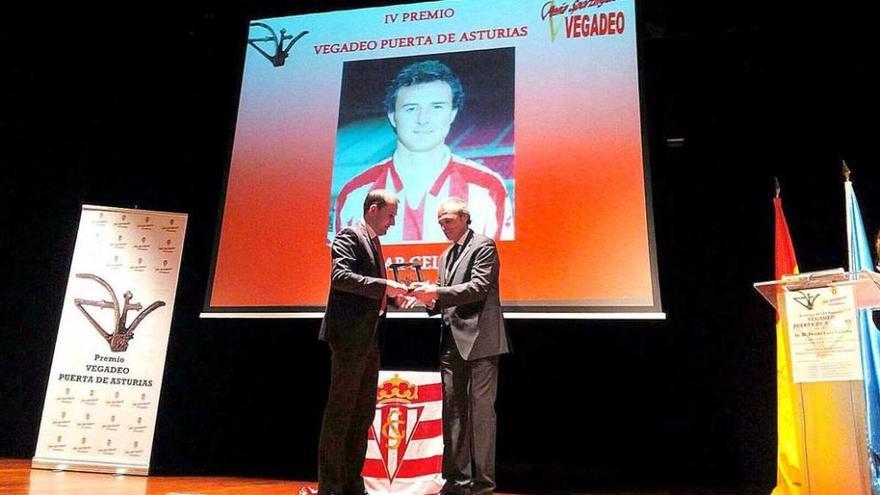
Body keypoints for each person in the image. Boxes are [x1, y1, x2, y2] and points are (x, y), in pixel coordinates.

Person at [333, 60, 514, 244]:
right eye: (411, 108)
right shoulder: (354, 194)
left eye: (437, 107)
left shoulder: (488, 189)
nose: (423, 119)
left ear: (452, 113)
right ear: (392, 116)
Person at [410, 197, 511, 495]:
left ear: (465, 217)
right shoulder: (444, 256)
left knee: (480, 415)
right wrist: (422, 298)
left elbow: (478, 288)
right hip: (451, 342)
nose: (443, 225)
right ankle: (457, 481)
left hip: (480, 340)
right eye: (439, 221)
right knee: (453, 412)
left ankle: (482, 485)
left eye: (448, 219)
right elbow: (442, 299)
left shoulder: (483, 245)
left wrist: (436, 291)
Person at [317, 189, 409, 495]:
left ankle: (352, 483)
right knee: (341, 414)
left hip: (368, 340)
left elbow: (369, 292)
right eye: (390, 215)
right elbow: (340, 277)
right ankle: (331, 487)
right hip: (349, 339)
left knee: (363, 414)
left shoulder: (373, 241)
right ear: (372, 209)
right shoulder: (349, 235)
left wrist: (395, 300)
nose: (393, 223)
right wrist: (386, 285)